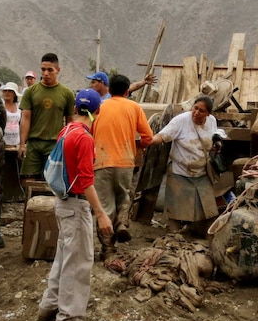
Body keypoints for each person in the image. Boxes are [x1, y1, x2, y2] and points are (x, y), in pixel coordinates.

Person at [37, 89, 113, 321]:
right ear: (97, 111)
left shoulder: (66, 130)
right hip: (75, 203)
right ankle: (69, 315)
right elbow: (86, 181)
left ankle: (49, 305)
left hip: (62, 202)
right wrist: (100, 213)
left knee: (64, 255)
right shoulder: (84, 138)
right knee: (79, 261)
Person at [92, 74, 153, 258]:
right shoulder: (134, 107)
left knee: (104, 207)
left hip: (101, 162)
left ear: (109, 90)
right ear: (127, 91)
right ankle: (121, 223)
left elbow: (88, 132)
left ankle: (108, 249)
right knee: (123, 196)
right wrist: (139, 145)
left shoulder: (99, 107)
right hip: (125, 163)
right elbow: (148, 137)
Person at [150, 95, 219, 234]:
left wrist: (217, 145)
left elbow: (214, 137)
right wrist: (148, 141)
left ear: (208, 113)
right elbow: (162, 136)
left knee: (207, 208)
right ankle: (174, 235)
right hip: (180, 171)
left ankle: (196, 231)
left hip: (202, 172)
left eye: (201, 111)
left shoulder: (211, 121)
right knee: (176, 208)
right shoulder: (181, 121)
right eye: (195, 108)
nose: (196, 113)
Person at [18, 53, 75, 179]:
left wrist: (68, 146)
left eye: (50, 70)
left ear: (58, 70)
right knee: (29, 181)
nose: (46, 73)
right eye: (43, 69)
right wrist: (22, 144)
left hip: (54, 144)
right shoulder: (31, 92)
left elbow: (70, 122)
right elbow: (25, 119)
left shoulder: (67, 93)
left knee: (52, 182)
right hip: (33, 143)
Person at [0, 82, 21, 147]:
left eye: (10, 91)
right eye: (5, 91)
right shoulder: (0, 107)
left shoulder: (19, 107)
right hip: (3, 142)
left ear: (14, 94)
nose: (7, 93)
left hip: (16, 142)